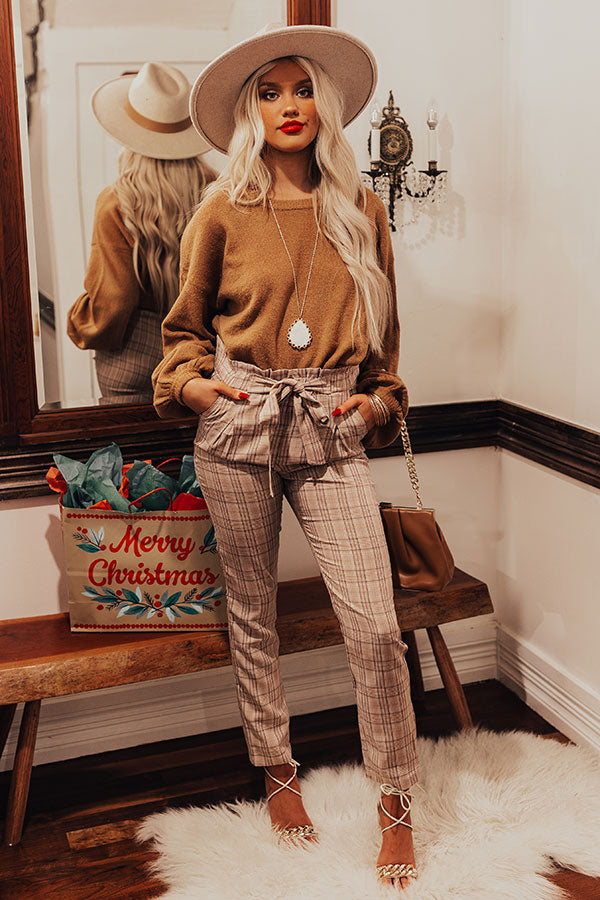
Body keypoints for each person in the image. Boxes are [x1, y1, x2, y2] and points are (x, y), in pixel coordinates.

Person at [152, 24, 420, 891]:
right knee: (253, 612)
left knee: (375, 625)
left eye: (302, 89)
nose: (289, 106)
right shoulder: (221, 209)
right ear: (249, 112)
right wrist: (196, 390)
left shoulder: (362, 210)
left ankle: (396, 802)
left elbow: (385, 348)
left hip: (331, 425)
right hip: (238, 424)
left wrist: (376, 403)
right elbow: (183, 333)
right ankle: (276, 774)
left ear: (325, 104)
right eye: (269, 93)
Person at [67, 62, 217, 404]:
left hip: (132, 354)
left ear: (129, 133)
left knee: (132, 441)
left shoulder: (117, 201)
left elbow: (112, 303)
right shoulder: (216, 193)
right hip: (201, 352)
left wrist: (79, 321)